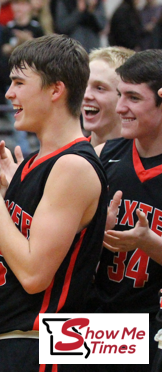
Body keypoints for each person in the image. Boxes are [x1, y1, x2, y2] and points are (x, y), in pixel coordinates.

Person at [0, 34, 107, 371]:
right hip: (1, 339)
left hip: (38, 346)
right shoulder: (27, 163)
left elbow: (32, 275)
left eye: (18, 83)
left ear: (55, 90)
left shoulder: (74, 166)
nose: (9, 93)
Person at [93, 49, 162, 371]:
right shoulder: (103, 153)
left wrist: (149, 242)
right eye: (120, 95)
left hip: (149, 325)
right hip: (90, 320)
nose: (121, 108)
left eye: (133, 98)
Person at [81, 46, 134, 148]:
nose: (86, 95)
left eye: (99, 88)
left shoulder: (147, 159)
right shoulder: (69, 156)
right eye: (83, 86)